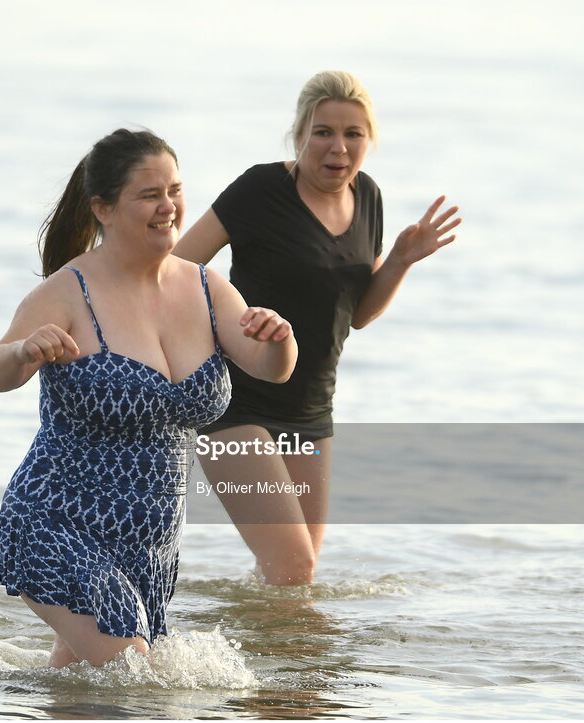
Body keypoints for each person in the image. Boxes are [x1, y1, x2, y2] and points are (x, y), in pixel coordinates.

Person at [0, 129, 297, 667]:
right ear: (103, 208)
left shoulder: (206, 288)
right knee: (136, 679)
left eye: (175, 190)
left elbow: (271, 369)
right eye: (150, 195)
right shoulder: (68, 290)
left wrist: (280, 337)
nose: (168, 206)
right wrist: (23, 352)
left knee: (83, 694)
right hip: (54, 523)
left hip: (149, 549)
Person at [173, 70, 461, 585]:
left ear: (370, 140)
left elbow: (359, 314)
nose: (338, 147)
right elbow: (173, 271)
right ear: (300, 133)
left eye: (353, 134)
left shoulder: (368, 197)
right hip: (236, 405)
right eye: (324, 131)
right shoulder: (260, 189)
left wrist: (399, 259)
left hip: (311, 411)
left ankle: (269, 663)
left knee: (289, 580)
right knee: (295, 566)